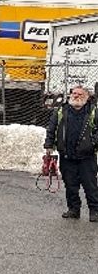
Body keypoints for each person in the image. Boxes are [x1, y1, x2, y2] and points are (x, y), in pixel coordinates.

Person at [44, 85, 98, 221]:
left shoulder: (93, 111)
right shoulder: (62, 110)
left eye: (80, 94)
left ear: (87, 97)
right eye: (74, 93)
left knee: (90, 185)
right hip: (67, 156)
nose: (77, 96)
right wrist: (48, 145)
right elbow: (52, 128)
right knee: (70, 185)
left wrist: (93, 143)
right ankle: (73, 209)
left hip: (87, 157)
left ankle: (95, 211)